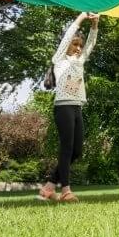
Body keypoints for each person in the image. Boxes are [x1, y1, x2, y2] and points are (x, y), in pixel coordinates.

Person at [37, 12, 99, 203]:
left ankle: (48, 188)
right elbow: (67, 36)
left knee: (77, 151)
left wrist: (95, 25)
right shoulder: (60, 60)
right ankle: (65, 190)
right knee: (66, 148)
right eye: (75, 44)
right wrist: (81, 18)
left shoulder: (79, 62)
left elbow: (91, 44)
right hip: (63, 107)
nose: (79, 48)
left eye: (80, 45)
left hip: (77, 108)